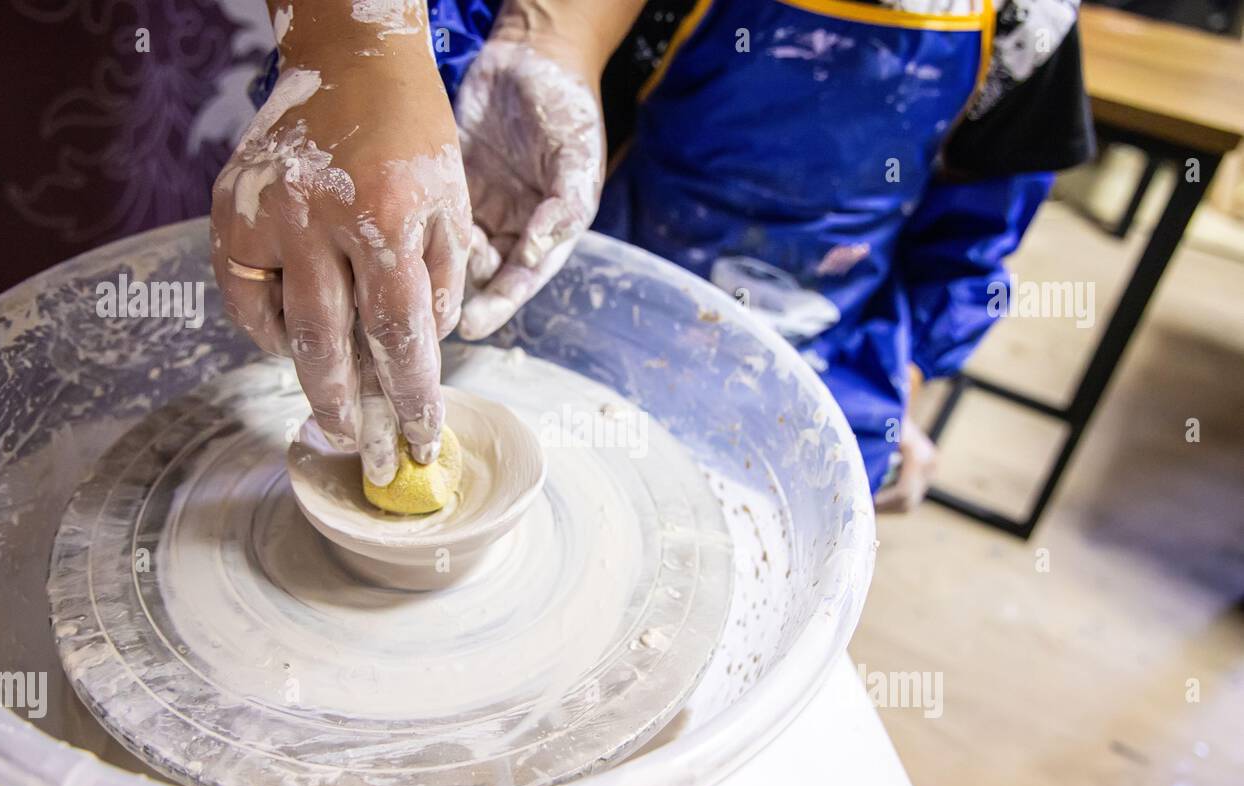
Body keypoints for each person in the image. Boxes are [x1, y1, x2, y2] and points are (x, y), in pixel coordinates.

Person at [211, 0, 1094, 509]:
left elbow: (979, 224)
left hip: (829, 348)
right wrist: (400, 105)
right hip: (595, 319)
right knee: (580, 521)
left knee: (757, 600)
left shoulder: (1026, 20)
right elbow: (444, 50)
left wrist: (912, 375)